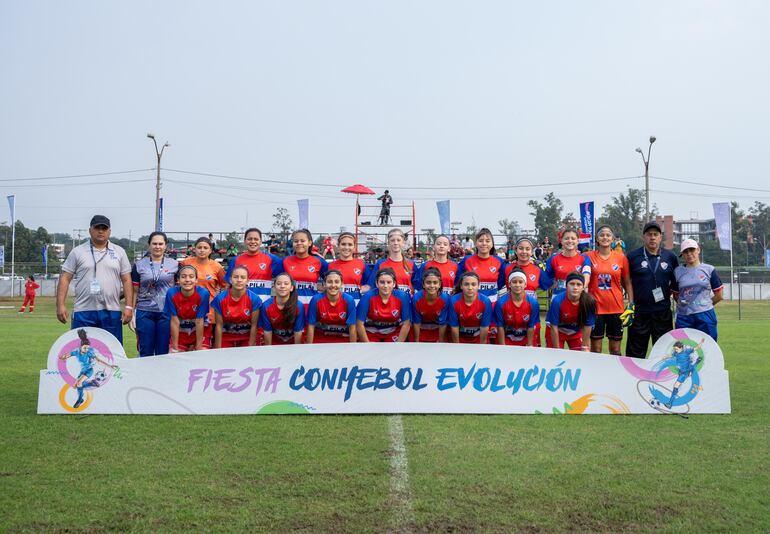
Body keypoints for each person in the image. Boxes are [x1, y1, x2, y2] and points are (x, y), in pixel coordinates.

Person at [56, 215, 133, 343]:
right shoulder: (78, 252)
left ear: (109, 231)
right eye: (97, 227)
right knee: (83, 351)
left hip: (111, 310)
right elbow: (65, 278)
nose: (101, 231)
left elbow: (127, 280)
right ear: (90, 230)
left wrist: (129, 307)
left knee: (112, 352)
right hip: (83, 311)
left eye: (104, 228)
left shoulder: (119, 252)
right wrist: (60, 305)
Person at [626, 221, 679, 358]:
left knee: (664, 354)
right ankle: (633, 380)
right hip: (639, 313)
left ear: (660, 237)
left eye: (656, 234)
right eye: (649, 234)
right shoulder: (632, 257)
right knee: (635, 354)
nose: (652, 237)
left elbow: (676, 285)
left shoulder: (670, 257)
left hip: (662, 313)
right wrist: (630, 303)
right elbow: (626, 282)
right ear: (644, 237)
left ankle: (662, 380)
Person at [585, 225, 634, 355]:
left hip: (616, 308)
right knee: (596, 350)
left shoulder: (621, 257)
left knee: (616, 350)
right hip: (595, 309)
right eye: (602, 235)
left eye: (608, 235)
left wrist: (631, 303)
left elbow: (627, 282)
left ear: (613, 239)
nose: (605, 237)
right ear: (597, 238)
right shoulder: (588, 256)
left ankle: (616, 375)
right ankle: (596, 375)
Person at [130, 232, 179, 357]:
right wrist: (132, 312)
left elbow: (179, 290)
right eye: (154, 243)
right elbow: (134, 291)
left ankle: (161, 376)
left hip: (166, 312)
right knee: (145, 350)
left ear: (166, 245)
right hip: (144, 311)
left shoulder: (175, 264)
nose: (157, 246)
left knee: (163, 351)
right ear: (149, 245)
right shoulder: (139, 265)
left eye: (160, 244)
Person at [457, 228, 506, 342]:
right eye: (481, 240)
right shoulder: (467, 260)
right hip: (471, 306)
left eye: (487, 240)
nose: (484, 243)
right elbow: (459, 280)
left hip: (493, 306)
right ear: (475, 243)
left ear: (492, 243)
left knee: (492, 341)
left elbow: (501, 282)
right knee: (471, 338)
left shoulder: (499, 261)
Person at [504, 237, 551, 346]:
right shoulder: (507, 268)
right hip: (511, 316)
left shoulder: (536, 270)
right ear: (516, 250)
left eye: (527, 249)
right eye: (521, 248)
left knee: (533, 348)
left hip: (531, 314)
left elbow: (550, 283)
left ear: (532, 251)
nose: (524, 252)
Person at [673, 239, 723, 341]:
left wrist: (703, 304)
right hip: (684, 316)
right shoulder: (677, 272)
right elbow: (676, 295)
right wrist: (686, 305)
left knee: (709, 347)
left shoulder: (709, 269)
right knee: (683, 348)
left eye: (692, 250)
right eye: (685, 252)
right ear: (682, 254)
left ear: (698, 250)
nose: (689, 254)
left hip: (706, 315)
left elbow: (719, 295)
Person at [59, 329, 118, 409]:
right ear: (80, 347)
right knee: (75, 386)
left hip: (89, 370)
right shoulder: (76, 351)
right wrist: (63, 357)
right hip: (82, 371)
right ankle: (91, 383)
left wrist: (110, 366)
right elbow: (67, 355)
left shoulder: (89, 352)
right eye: (85, 348)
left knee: (79, 383)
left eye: (87, 348)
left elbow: (98, 360)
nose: (86, 350)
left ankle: (79, 400)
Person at [225, 228, 283, 303]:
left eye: (256, 239)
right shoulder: (236, 260)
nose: (253, 242)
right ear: (245, 241)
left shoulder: (272, 259)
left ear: (260, 241)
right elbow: (227, 285)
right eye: (249, 239)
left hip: (263, 305)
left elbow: (287, 275)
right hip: (241, 305)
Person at [180, 236, 227, 328]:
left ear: (210, 251)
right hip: (187, 308)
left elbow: (225, 286)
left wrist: (219, 302)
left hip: (209, 310)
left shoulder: (217, 267)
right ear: (194, 249)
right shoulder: (185, 263)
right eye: (199, 247)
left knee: (205, 340)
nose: (202, 250)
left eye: (205, 248)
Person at [211, 265, 262, 348]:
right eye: (235, 277)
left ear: (247, 280)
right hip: (226, 337)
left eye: (242, 277)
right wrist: (218, 348)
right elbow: (219, 325)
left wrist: (251, 347)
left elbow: (254, 325)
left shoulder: (254, 299)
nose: (239, 280)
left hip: (246, 338)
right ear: (230, 280)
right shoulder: (220, 299)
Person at [356, 268, 412, 342]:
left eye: (389, 282)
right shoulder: (367, 297)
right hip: (372, 333)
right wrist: (367, 346)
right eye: (382, 282)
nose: (385, 286)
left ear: (394, 284)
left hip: (393, 332)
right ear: (377, 283)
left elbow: (406, 323)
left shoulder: (402, 297)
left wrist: (399, 345)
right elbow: (359, 324)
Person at [164, 264, 211, 352]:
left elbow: (199, 321)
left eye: (191, 277)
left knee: (202, 354)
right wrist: (174, 348)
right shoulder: (171, 293)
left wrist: (198, 347)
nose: (187, 280)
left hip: (200, 330)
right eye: (183, 277)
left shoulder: (203, 293)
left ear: (196, 280)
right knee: (175, 356)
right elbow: (175, 321)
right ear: (178, 280)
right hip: (181, 332)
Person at [546, 272, 596, 351]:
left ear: (583, 287)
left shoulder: (589, 302)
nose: (575, 287)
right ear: (566, 286)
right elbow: (553, 326)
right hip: (557, 331)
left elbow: (587, 327)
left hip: (575, 332)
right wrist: (556, 350)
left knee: (582, 357)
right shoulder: (557, 301)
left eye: (578, 284)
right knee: (555, 358)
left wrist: (585, 347)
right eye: (572, 284)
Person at [306, 270, 358, 343]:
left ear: (342, 284)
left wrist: (353, 349)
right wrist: (309, 349)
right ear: (324, 284)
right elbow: (311, 326)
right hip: (320, 340)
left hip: (343, 341)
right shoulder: (316, 300)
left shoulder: (349, 300)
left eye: (337, 282)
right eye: (329, 282)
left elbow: (352, 328)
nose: (333, 285)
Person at [282, 229, 328, 309]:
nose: (299, 243)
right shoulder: (285, 261)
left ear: (310, 243)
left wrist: (322, 288)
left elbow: (331, 278)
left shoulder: (318, 261)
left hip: (311, 307)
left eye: (302, 241)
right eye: (296, 241)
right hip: (290, 308)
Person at [366, 228, 418, 296]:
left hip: (407, 304)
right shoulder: (380, 264)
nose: (395, 243)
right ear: (388, 242)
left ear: (403, 242)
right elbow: (370, 286)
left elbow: (418, 286)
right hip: (387, 304)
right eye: (392, 240)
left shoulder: (411, 264)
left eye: (398, 240)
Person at [495, 269, 540, 346]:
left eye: (520, 282)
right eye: (514, 282)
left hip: (525, 339)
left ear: (525, 284)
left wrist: (529, 345)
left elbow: (531, 326)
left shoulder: (533, 303)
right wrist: (502, 346)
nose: (517, 285)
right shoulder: (500, 303)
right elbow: (500, 326)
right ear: (509, 284)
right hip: (507, 339)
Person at [259, 273, 305, 345]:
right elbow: (267, 331)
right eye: (279, 283)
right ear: (274, 287)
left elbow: (298, 332)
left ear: (291, 288)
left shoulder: (299, 306)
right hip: (274, 345)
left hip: (292, 346)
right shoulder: (266, 306)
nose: (282, 286)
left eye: (286, 284)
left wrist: (297, 352)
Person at [448, 271, 493, 344]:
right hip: (460, 340)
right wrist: (456, 346)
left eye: (473, 284)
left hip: (478, 340)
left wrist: (482, 347)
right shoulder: (453, 301)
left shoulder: (486, 302)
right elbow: (454, 327)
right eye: (466, 284)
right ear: (461, 286)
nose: (470, 288)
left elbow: (484, 327)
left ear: (478, 286)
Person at [328, 232, 371, 304]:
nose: (346, 247)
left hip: (356, 305)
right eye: (343, 244)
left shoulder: (361, 264)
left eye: (350, 244)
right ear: (338, 246)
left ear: (354, 247)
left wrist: (359, 289)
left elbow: (370, 284)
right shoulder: (330, 265)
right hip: (335, 305)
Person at [411, 267, 450, 342]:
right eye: (428, 282)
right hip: (421, 332)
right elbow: (416, 322)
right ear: (423, 284)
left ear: (439, 284)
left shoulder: (445, 299)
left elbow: (443, 323)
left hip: (437, 332)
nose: (432, 286)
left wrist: (441, 341)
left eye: (435, 283)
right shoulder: (416, 298)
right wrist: (416, 342)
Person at [664, 339, 705, 408]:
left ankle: (670, 404)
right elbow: (672, 355)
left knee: (676, 386)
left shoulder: (687, 351)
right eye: (675, 349)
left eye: (677, 349)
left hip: (684, 373)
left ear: (681, 348)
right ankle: (696, 363)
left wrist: (701, 342)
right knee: (689, 368)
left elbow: (697, 347)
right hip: (682, 372)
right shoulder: (676, 353)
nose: (676, 350)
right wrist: (666, 357)